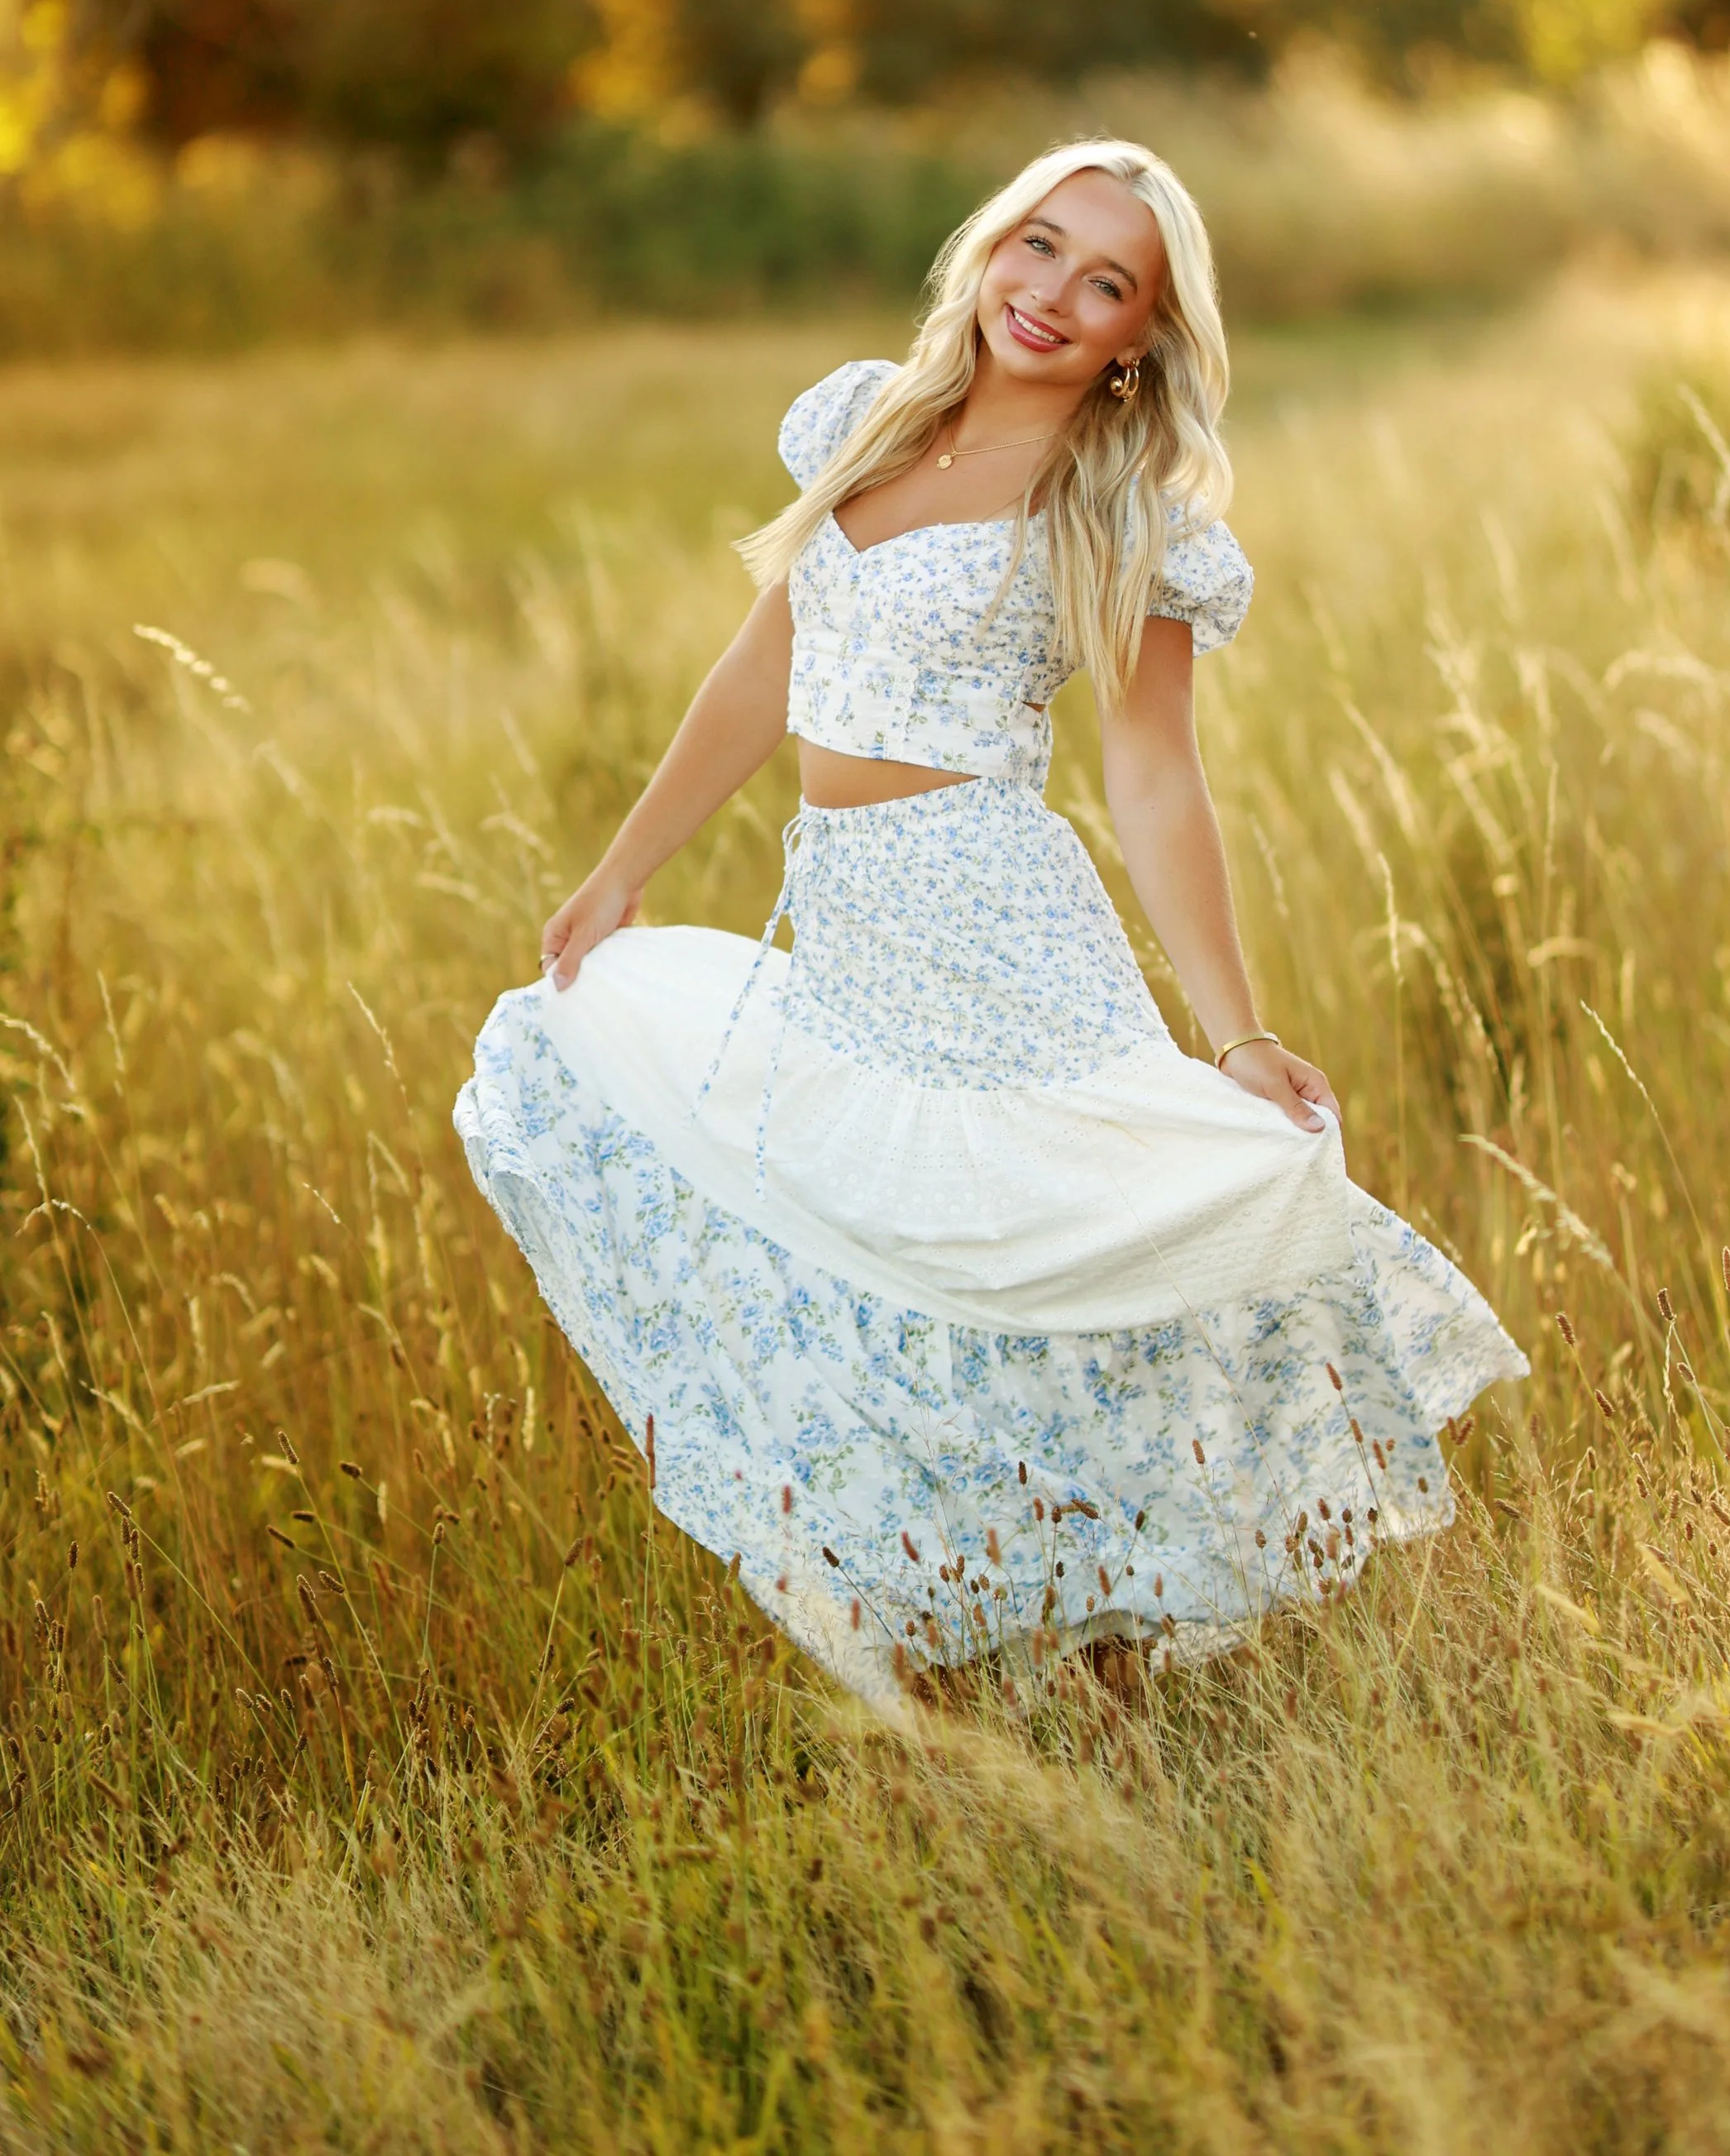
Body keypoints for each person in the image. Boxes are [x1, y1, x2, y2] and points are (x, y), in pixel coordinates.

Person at [455, 138, 1524, 1701]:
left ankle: (1123, 1668)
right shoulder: (866, 421)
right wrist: (627, 867)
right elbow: (764, 671)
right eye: (1041, 246)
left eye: (1108, 283)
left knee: (1046, 1254)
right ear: (992, 247)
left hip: (1004, 926)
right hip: (851, 935)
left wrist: (1238, 1030)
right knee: (890, 1244)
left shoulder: (1120, 508)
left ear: (1137, 340)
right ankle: (988, 1635)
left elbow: (1156, 776)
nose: (1054, 294)